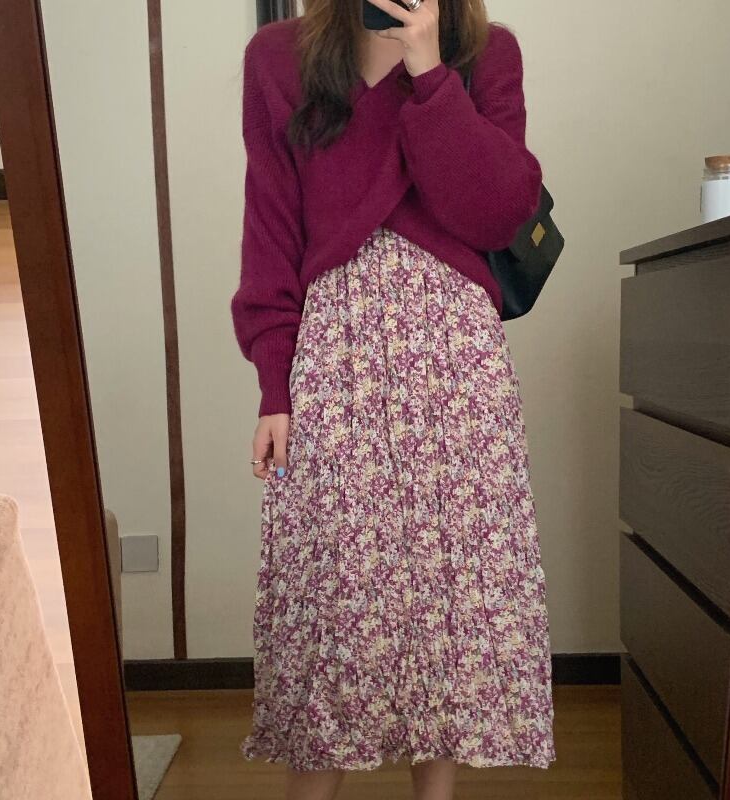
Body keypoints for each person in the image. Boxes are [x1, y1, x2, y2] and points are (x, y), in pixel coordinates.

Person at [230, 0, 555, 797]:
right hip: (335, 355)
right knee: (336, 596)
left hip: (456, 363)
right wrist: (274, 386)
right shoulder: (280, 58)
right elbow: (270, 227)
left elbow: (497, 210)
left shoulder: (486, 54)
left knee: (450, 595)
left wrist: (430, 71)